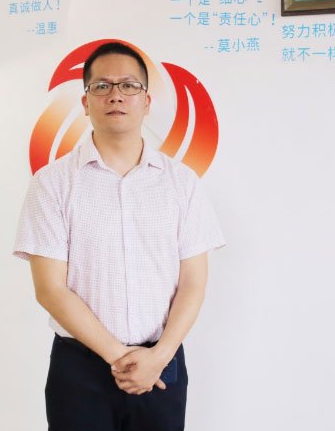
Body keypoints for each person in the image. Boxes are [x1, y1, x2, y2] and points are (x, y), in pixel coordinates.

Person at [13, 42, 225, 430]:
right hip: (80, 369)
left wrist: (158, 357)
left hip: (162, 363)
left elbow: (193, 282)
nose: (115, 95)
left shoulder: (182, 183)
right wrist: (121, 359)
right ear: (85, 102)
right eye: (102, 86)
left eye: (128, 85)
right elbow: (50, 289)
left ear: (147, 101)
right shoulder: (52, 183)